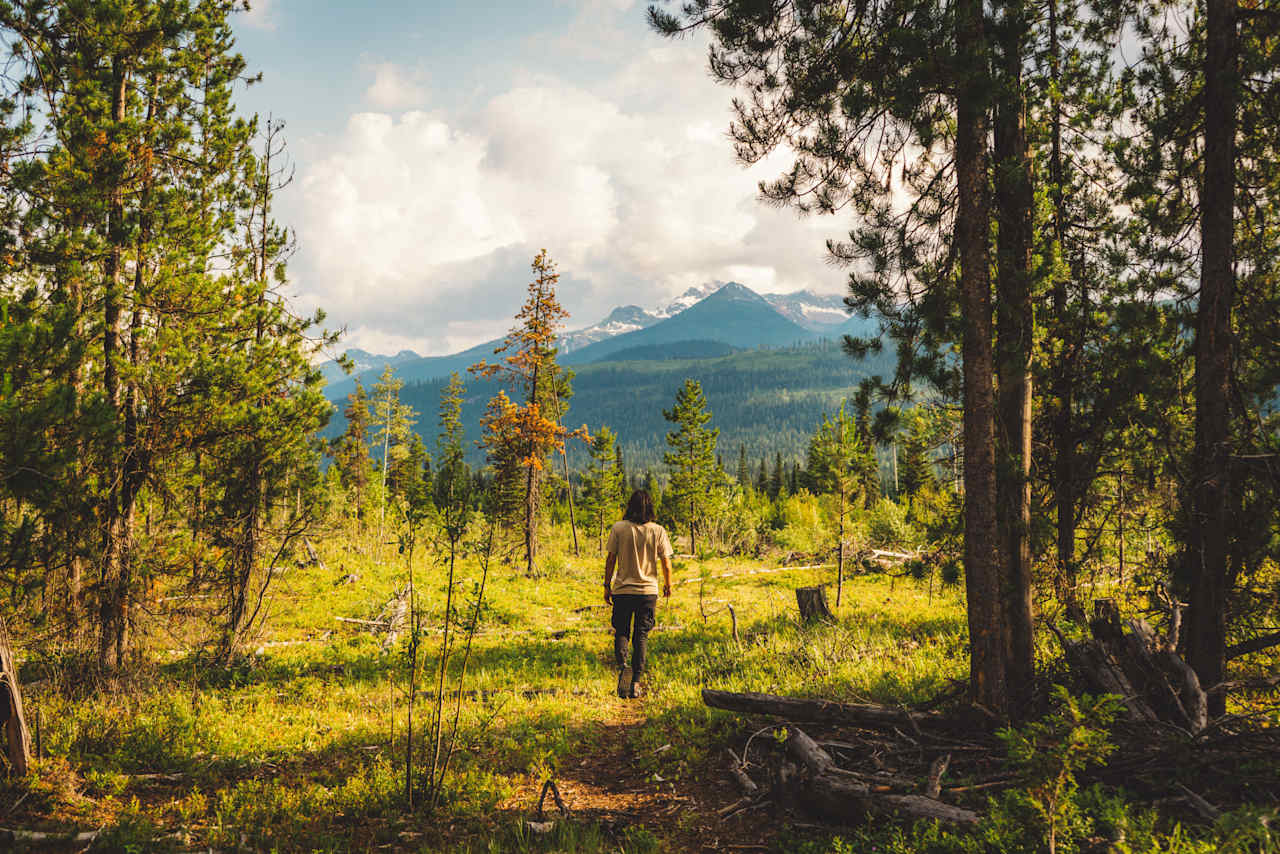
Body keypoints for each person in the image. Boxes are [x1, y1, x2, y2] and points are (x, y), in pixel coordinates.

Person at [603, 489, 673, 699]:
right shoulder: (658, 531)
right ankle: (635, 683)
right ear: (650, 507)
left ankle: (623, 665)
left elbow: (610, 560)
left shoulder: (619, 528)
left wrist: (607, 585)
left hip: (623, 590)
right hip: (647, 592)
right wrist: (668, 585)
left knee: (622, 630)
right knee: (641, 635)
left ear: (629, 506)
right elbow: (666, 564)